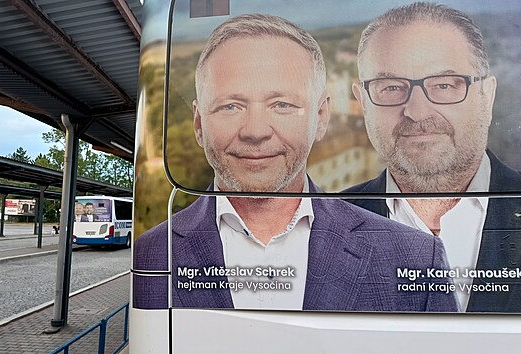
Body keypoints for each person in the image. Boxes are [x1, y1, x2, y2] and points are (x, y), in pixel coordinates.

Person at [134, 13, 457, 312]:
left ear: (321, 117)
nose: (255, 132)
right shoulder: (151, 253)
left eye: (282, 105)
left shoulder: (417, 258)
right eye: (231, 106)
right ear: (199, 124)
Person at [346, 2, 521, 312]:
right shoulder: (322, 223)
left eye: (444, 85)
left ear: (487, 96)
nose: (416, 111)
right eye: (391, 87)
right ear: (363, 102)